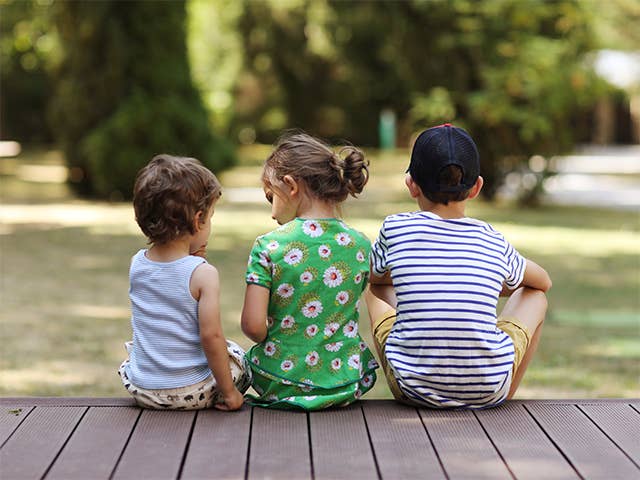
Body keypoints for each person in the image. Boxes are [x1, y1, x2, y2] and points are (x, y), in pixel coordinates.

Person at [367, 123, 552, 409]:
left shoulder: (395, 229)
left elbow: (375, 279)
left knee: (373, 291)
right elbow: (543, 282)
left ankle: (413, 371)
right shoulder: (491, 239)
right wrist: (489, 285)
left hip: (411, 391)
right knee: (535, 297)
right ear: (476, 186)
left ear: (411, 184)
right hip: (487, 389)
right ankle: (503, 393)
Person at [241, 132, 378, 410]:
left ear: (291, 185)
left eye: (271, 197)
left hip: (279, 380)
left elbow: (253, 328)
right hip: (344, 381)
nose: (271, 212)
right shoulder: (361, 245)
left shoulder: (269, 246)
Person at [119, 154, 251, 411]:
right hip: (190, 393)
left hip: (143, 390)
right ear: (197, 219)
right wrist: (230, 393)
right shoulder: (203, 274)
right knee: (238, 356)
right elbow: (211, 336)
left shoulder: (137, 264)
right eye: (210, 218)